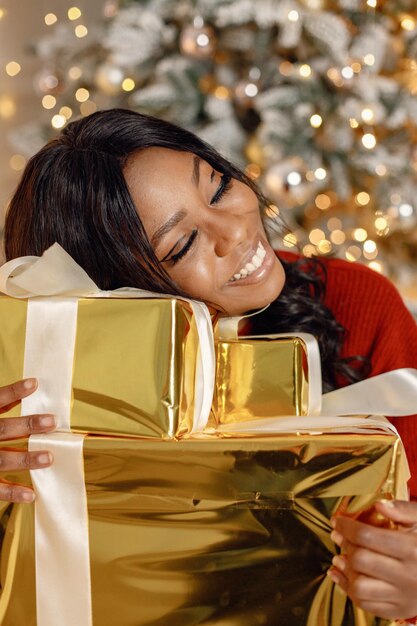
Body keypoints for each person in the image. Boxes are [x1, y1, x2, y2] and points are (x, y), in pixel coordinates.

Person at [2, 108, 417, 622]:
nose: (234, 232)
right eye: (182, 245)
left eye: (218, 187)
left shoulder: (356, 304)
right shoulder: (38, 395)